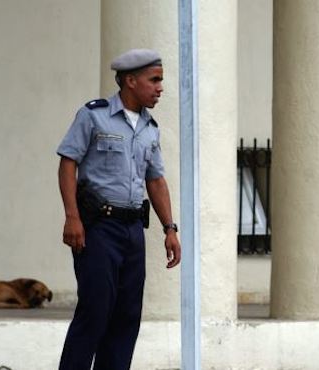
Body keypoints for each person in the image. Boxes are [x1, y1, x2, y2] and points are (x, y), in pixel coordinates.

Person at [56, 48, 181, 369]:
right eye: (154, 80)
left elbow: (156, 181)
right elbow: (68, 163)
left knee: (126, 316)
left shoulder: (150, 128)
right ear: (130, 80)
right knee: (95, 311)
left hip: (132, 230)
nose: (160, 87)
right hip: (97, 227)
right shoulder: (94, 115)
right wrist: (72, 216)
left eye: (160, 80)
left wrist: (170, 228)